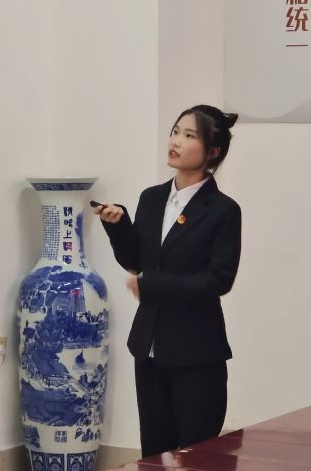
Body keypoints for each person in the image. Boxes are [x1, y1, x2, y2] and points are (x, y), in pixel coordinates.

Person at [93, 104, 241, 458]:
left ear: (213, 152)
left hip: (196, 352)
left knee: (197, 456)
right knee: (154, 454)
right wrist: (118, 227)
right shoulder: (152, 198)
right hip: (148, 348)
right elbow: (136, 263)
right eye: (175, 131)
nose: (175, 141)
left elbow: (218, 280)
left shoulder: (222, 210)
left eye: (189, 136)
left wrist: (153, 285)